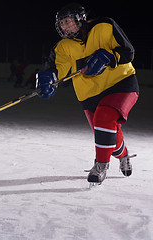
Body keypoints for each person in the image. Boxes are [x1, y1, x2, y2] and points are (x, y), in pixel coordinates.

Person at [36, 3, 139, 184]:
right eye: (62, 24)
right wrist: (48, 80)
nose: (65, 27)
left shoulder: (105, 26)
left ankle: (100, 166)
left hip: (120, 84)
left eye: (67, 22)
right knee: (107, 136)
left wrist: (109, 56)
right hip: (90, 95)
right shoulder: (63, 47)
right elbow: (56, 69)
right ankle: (123, 155)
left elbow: (128, 51)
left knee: (104, 118)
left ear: (80, 19)